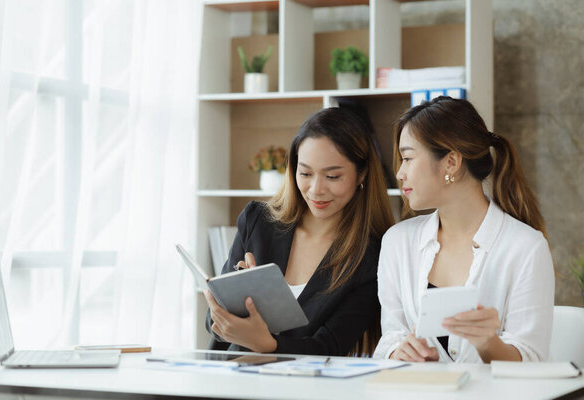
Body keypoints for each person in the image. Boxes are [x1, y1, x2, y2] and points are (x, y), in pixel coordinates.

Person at [374, 96, 554, 363]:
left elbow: (531, 362)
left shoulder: (525, 247)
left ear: (451, 163)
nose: (400, 173)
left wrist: (488, 343)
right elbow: (390, 339)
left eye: (408, 158)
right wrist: (398, 352)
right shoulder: (397, 242)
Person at [204, 107, 395, 356]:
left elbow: (330, 346)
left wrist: (267, 344)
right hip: (231, 380)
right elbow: (212, 321)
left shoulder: (372, 255)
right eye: (305, 173)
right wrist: (239, 299)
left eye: (333, 176)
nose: (316, 189)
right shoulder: (258, 221)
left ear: (362, 174)